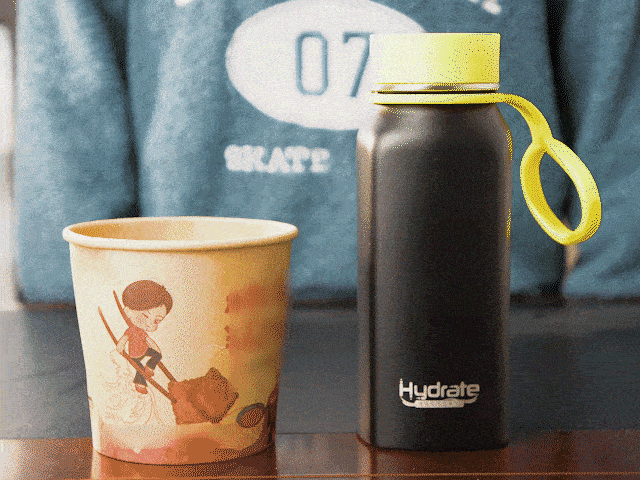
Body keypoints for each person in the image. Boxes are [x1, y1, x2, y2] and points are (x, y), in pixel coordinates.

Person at [13, 0, 640, 305]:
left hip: (495, 326)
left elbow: (619, 82)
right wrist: (68, 315)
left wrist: (616, 318)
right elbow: (65, 100)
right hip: (191, 321)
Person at [116, 280, 173, 394]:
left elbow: (149, 341)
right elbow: (124, 339)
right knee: (140, 370)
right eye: (145, 315)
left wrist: (157, 349)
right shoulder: (132, 330)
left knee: (157, 355)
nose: (149, 323)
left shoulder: (141, 332)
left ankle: (149, 367)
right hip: (135, 354)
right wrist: (120, 347)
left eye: (157, 321)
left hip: (145, 350)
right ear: (128, 311)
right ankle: (140, 384)